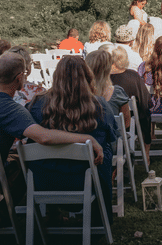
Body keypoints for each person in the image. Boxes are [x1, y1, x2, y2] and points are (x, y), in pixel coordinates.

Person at [0, 53, 103, 196]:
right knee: (26, 161)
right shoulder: (10, 108)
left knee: (17, 155)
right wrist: (87, 138)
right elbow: (44, 137)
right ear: (19, 77)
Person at [26, 56, 118, 223]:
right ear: (87, 77)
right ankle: (99, 216)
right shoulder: (99, 105)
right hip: (85, 179)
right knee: (105, 149)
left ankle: (52, 214)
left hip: (44, 181)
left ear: (56, 77)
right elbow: (113, 137)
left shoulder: (37, 104)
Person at [109, 46, 151, 161]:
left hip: (109, 120)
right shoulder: (133, 75)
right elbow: (145, 100)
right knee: (145, 111)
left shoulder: (103, 78)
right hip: (129, 120)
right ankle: (146, 152)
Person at [85, 50, 131, 125]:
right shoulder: (117, 92)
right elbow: (126, 122)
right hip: (112, 132)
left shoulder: (78, 93)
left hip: (85, 132)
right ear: (108, 68)